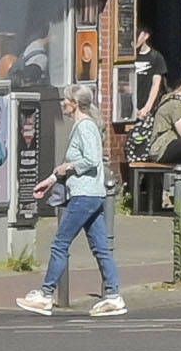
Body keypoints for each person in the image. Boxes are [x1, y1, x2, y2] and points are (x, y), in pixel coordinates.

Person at [35, 88, 125, 316]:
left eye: (66, 100)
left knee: (60, 244)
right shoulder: (85, 125)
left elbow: (92, 160)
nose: (63, 104)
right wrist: (52, 179)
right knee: (101, 248)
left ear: (74, 103)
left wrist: (69, 167)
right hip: (92, 195)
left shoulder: (85, 126)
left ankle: (45, 294)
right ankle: (113, 296)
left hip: (84, 196)